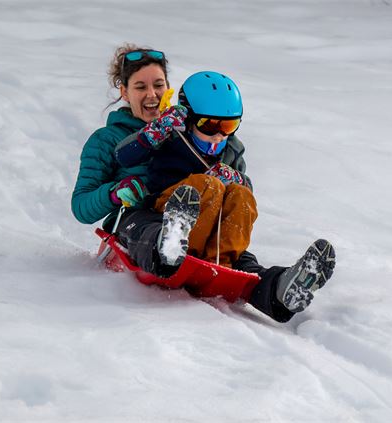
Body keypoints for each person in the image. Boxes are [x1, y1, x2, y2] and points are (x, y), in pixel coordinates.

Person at [71, 43, 335, 323]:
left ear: (169, 88)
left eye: (158, 85)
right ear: (124, 91)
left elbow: (240, 190)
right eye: (140, 87)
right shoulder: (107, 140)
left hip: (201, 226)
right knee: (152, 229)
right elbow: (81, 207)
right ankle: (168, 245)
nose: (151, 95)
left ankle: (281, 289)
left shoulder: (202, 129)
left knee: (242, 262)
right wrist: (114, 194)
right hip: (138, 222)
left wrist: (236, 178)